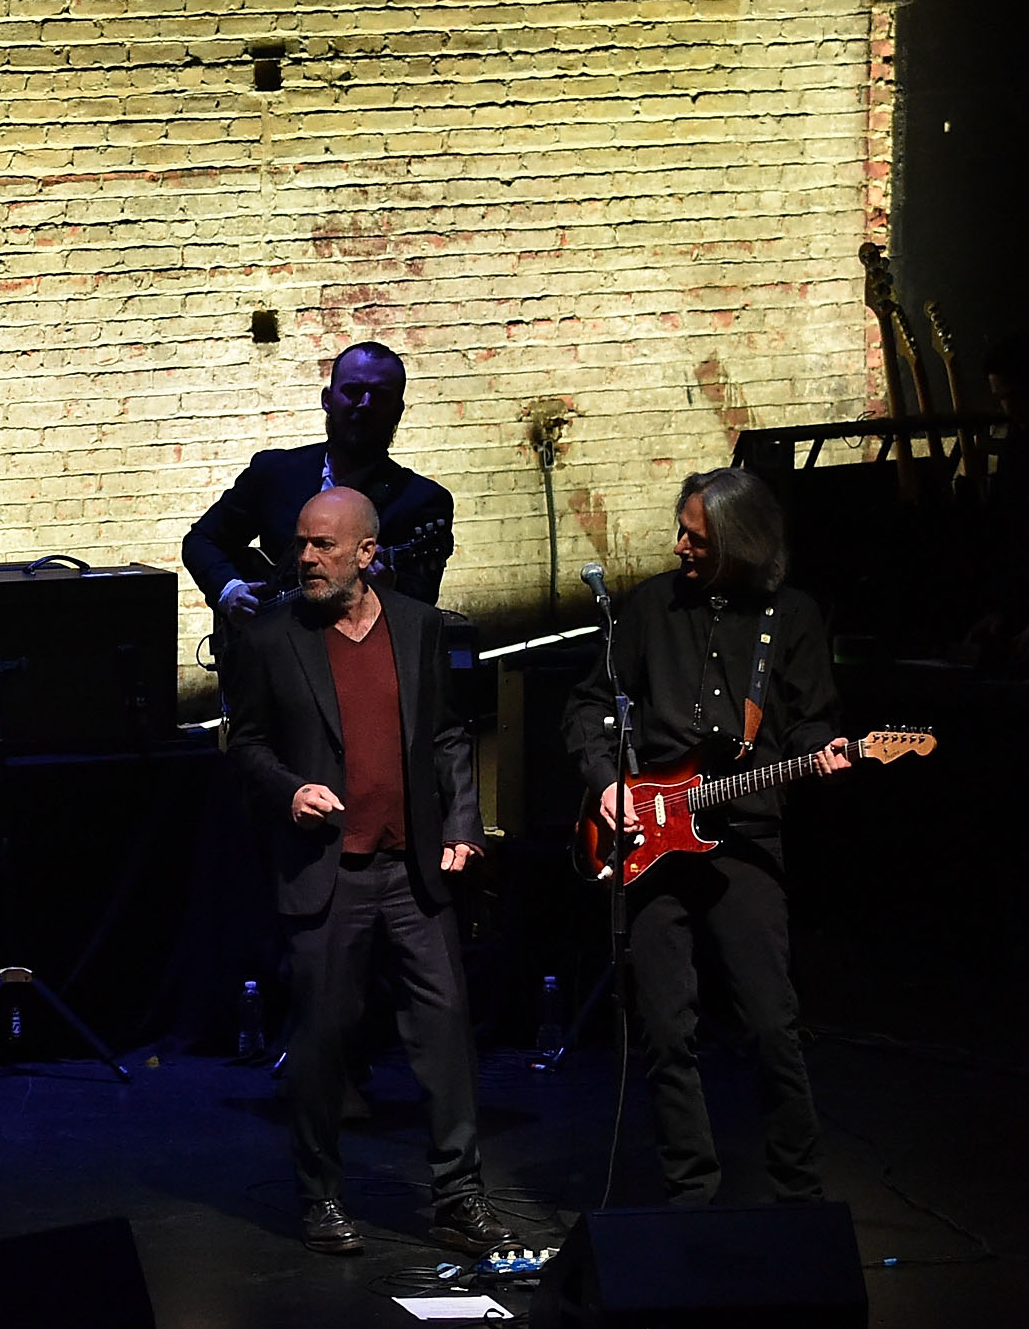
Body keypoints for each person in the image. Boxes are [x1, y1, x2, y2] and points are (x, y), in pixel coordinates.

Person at [223, 487, 510, 1256]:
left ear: (366, 553)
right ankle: (320, 1198)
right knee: (321, 1041)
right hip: (329, 871)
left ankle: (459, 1196)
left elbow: (449, 734)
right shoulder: (271, 636)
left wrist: (461, 825)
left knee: (446, 1028)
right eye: (302, 544)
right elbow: (244, 743)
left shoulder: (417, 626)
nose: (306, 558)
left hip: (411, 867)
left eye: (323, 546)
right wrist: (291, 790)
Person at [564, 468, 852, 1205]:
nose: (679, 544)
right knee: (665, 1029)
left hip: (746, 830)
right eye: (682, 529)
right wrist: (607, 784)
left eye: (696, 536)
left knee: (770, 1023)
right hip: (651, 838)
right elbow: (589, 705)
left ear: (739, 542)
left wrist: (826, 754)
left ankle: (799, 1193)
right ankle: (691, 1194)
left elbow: (814, 717)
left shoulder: (792, 616)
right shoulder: (650, 606)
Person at [185, 342, 457, 613]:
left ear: (398, 411)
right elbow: (202, 541)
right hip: (266, 648)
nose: (364, 404)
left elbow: (422, 602)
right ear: (327, 399)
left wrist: (389, 585)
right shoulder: (274, 472)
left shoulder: (422, 501)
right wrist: (229, 589)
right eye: (352, 391)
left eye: (380, 395)